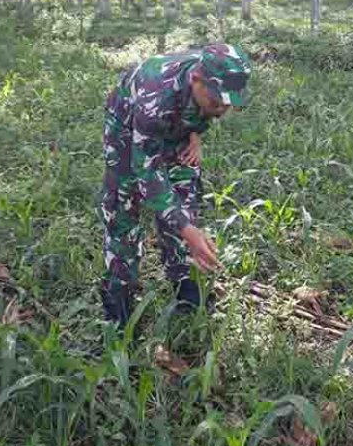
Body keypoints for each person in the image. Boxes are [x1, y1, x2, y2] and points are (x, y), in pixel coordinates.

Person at [99, 43, 252, 326]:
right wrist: (187, 230)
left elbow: (203, 107)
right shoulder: (154, 97)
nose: (223, 109)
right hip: (127, 123)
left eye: (229, 103)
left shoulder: (214, 71)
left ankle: (186, 287)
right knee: (124, 203)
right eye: (217, 102)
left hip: (173, 121)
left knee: (184, 202)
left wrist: (194, 133)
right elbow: (148, 173)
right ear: (196, 80)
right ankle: (119, 300)